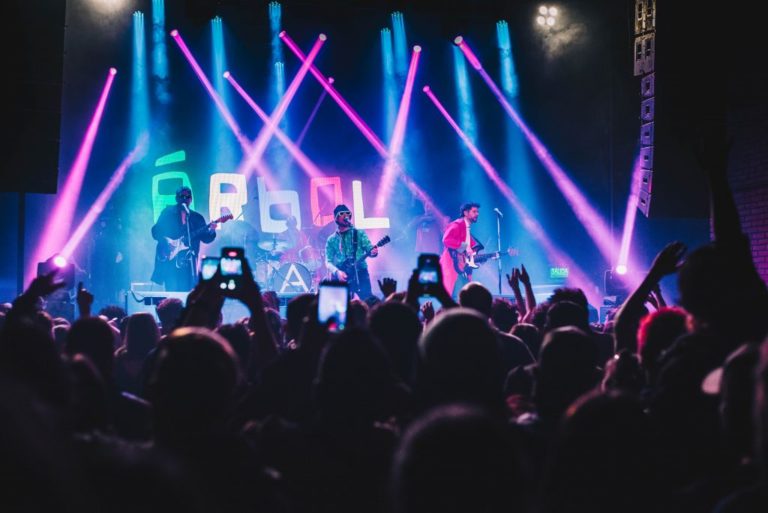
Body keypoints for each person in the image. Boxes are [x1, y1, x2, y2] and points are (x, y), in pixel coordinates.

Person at [151, 186, 217, 291]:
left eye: (187, 197)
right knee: (172, 291)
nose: (185, 199)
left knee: (186, 291)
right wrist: (166, 243)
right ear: (177, 198)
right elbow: (155, 232)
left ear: (191, 199)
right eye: (182, 196)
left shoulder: (197, 218)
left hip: (188, 262)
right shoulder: (167, 213)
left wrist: (212, 230)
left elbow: (206, 238)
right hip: (170, 261)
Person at [324, 204, 379, 299]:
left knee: (368, 301)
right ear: (336, 218)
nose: (346, 216)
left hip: (360, 273)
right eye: (342, 214)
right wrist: (337, 272)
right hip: (343, 275)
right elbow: (328, 261)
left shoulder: (359, 233)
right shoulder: (331, 239)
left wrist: (373, 252)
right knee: (342, 305)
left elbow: (369, 248)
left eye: (348, 214)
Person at [440, 202, 481, 297]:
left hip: (462, 269)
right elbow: (446, 240)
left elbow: (472, 250)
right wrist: (464, 247)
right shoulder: (457, 224)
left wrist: (478, 258)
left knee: (464, 297)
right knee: (458, 297)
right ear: (466, 213)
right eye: (474, 211)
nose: (477, 214)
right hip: (453, 268)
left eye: (478, 212)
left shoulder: (466, 228)